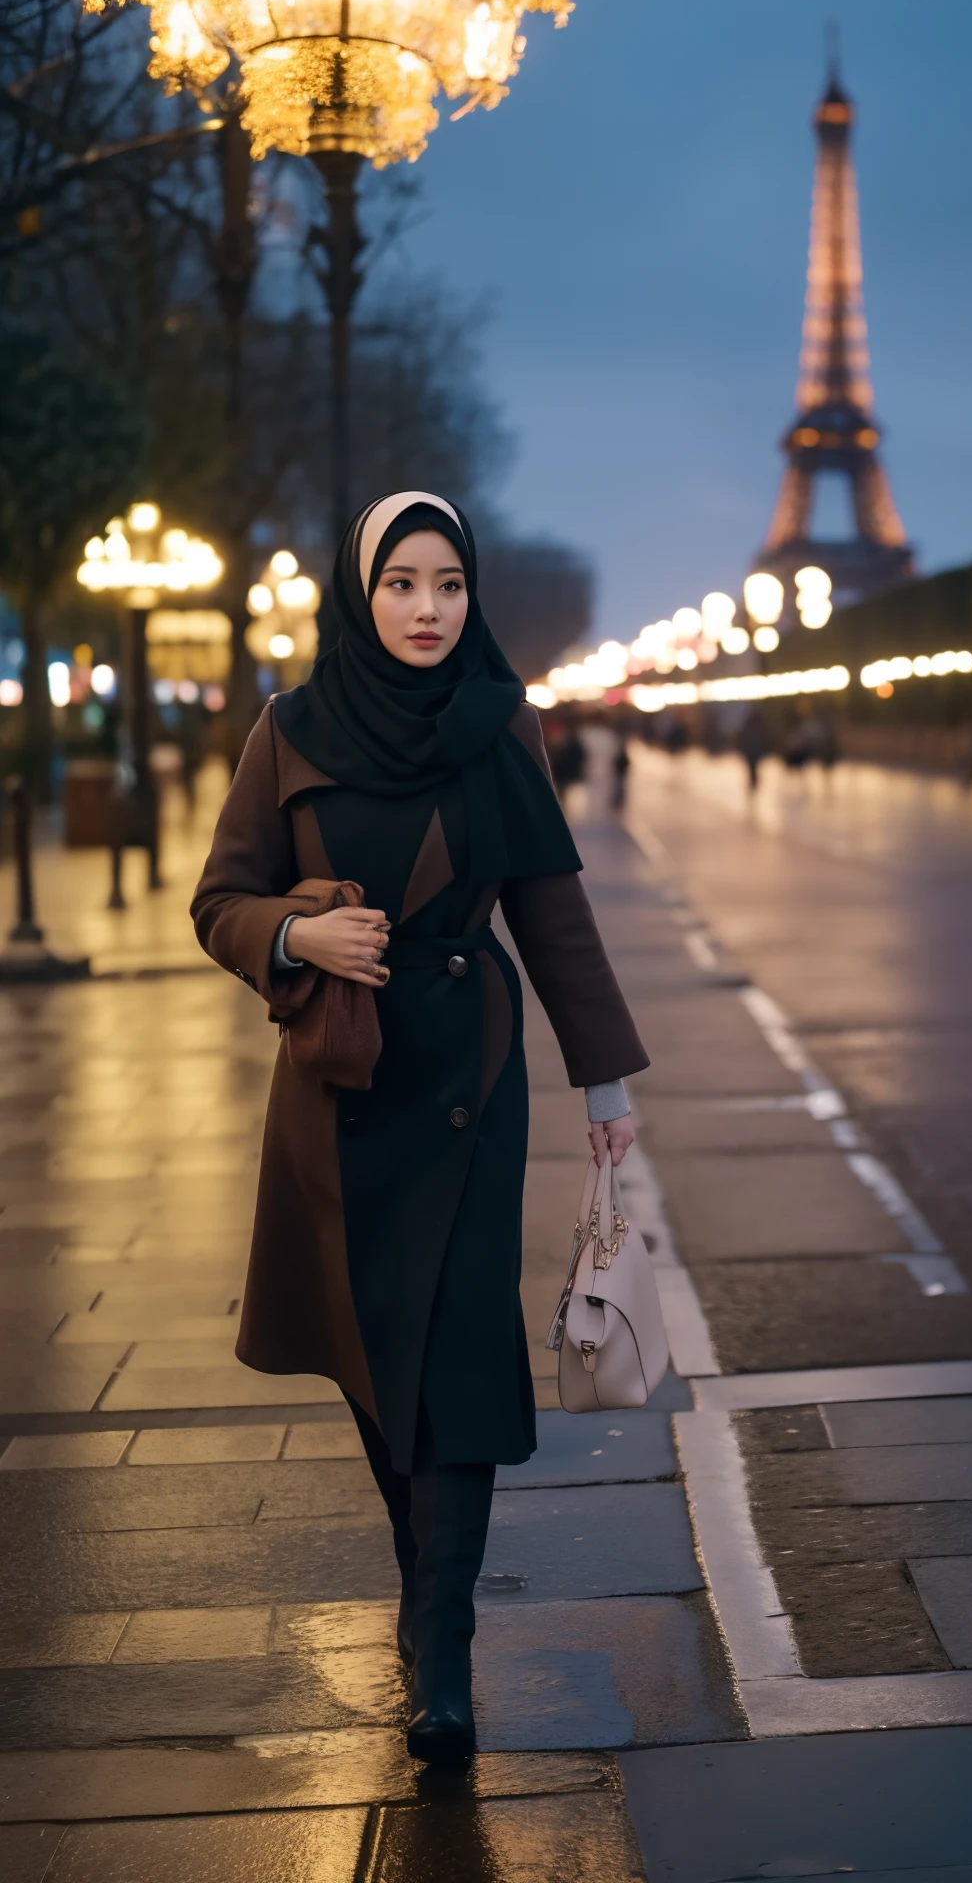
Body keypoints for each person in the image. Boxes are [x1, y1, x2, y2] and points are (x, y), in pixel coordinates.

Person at [191, 492, 647, 1765]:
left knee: (453, 1351)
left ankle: (438, 1642)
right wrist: (295, 932)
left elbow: (554, 918)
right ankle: (420, 1583)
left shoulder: (504, 724)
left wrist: (604, 1091)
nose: (428, 608)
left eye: (449, 583)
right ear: (361, 589)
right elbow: (218, 897)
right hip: (341, 1088)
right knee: (377, 1353)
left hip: (467, 1077)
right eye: (402, 583)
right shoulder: (288, 727)